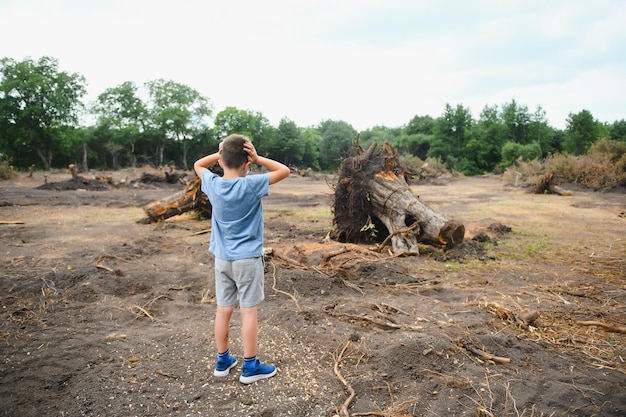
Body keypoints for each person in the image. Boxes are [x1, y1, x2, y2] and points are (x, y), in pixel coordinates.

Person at [193, 134, 290, 384]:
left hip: (222, 260)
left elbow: (198, 165)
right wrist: (258, 158)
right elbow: (284, 170)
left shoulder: (213, 183)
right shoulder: (251, 185)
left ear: (222, 161)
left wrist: (220, 153)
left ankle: (223, 360)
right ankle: (250, 367)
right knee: (248, 312)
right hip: (247, 259)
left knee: (223, 310)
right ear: (247, 163)